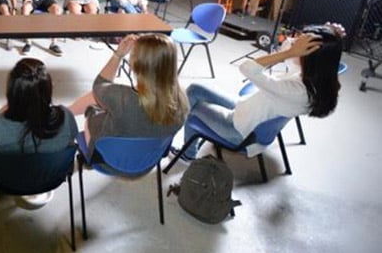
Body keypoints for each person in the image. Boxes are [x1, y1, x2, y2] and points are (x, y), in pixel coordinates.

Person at [173, 24, 344, 160]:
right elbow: (292, 56)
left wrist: (290, 52)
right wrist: (332, 33)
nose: (292, 42)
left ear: (310, 56)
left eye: (298, 44)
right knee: (196, 89)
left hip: (237, 130)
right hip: (246, 111)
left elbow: (247, 68)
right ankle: (177, 131)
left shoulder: (296, 91)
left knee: (190, 108)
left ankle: (187, 154)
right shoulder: (316, 76)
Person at [0, 58, 78, 207]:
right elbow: (70, 145)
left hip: (6, 182)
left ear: (11, 93)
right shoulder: (66, 116)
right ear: (49, 89)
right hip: (53, 178)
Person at [69, 34, 188, 156]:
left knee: (92, 112)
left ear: (136, 64)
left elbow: (99, 85)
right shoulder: (183, 101)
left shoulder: (120, 97)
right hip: (146, 161)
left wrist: (118, 55)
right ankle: (67, 112)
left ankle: (66, 115)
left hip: (107, 160)